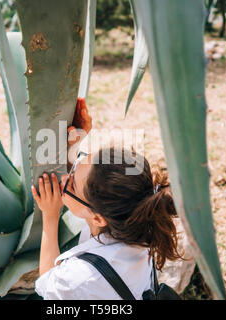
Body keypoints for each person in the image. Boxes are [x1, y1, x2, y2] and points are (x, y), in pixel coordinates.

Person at [31, 98, 183, 300]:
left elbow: (48, 282)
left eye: (71, 184)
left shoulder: (81, 279)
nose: (65, 177)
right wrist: (75, 148)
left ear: (98, 218)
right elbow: (91, 183)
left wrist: (50, 217)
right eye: (79, 162)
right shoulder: (138, 220)